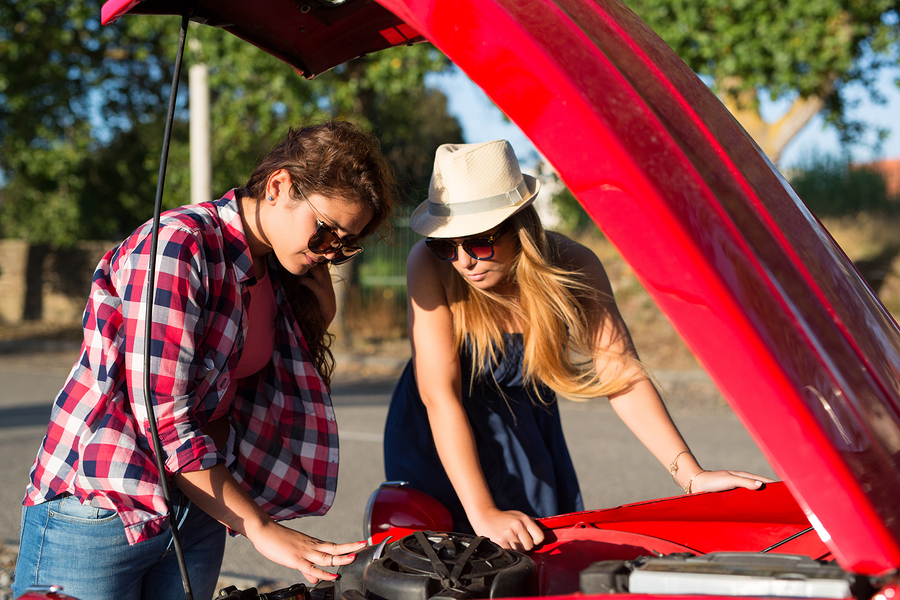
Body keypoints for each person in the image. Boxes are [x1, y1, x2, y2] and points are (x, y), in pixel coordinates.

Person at [13, 121, 396, 600]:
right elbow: (162, 420)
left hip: (200, 505)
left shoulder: (273, 268)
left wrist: (317, 319)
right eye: (325, 231)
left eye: (345, 243)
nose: (330, 251)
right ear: (279, 186)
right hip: (106, 508)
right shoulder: (179, 245)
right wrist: (260, 528)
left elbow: (250, 398)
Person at [383, 139, 772, 553]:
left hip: (526, 430)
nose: (463, 261)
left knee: (539, 565)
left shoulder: (575, 265)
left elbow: (621, 374)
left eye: (478, 242)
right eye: (447, 244)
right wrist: (483, 512)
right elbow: (439, 396)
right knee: (446, 568)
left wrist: (690, 475)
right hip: (438, 434)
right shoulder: (427, 265)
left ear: (519, 225)